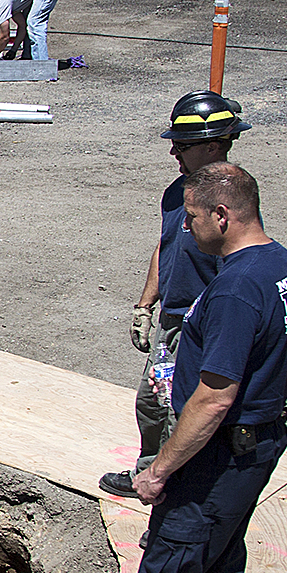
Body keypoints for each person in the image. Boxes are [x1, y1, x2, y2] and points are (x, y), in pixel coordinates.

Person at [58, 164, 287, 573]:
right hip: (258, 445)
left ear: (223, 214)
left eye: (193, 218)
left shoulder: (236, 289)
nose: (188, 229)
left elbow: (215, 399)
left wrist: (160, 468)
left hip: (219, 455)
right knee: (219, 572)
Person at [101, 92, 247, 498]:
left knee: (180, 414)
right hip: (171, 321)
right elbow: (165, 247)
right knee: (151, 405)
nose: (172, 152)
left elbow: (237, 271)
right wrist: (145, 305)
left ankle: (173, 494)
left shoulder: (230, 204)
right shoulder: (177, 193)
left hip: (199, 326)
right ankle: (148, 474)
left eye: (182, 146)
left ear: (215, 146)